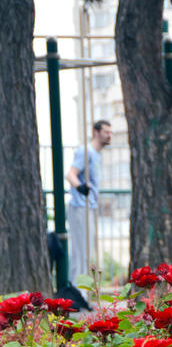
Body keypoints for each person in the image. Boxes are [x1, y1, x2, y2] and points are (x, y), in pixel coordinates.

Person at [66, 120, 111, 286]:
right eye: (106, 132)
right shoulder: (85, 151)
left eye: (110, 132)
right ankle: (78, 289)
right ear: (96, 132)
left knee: (87, 251)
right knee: (81, 251)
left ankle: (81, 289)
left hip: (89, 207)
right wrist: (80, 187)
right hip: (80, 207)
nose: (109, 135)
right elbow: (71, 174)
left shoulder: (96, 154)